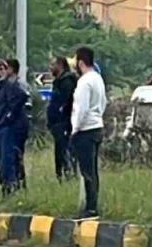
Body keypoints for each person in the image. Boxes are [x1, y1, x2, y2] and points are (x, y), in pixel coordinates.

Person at [71, 46, 108, 219]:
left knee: (86, 171)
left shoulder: (84, 82)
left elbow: (81, 108)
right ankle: (93, 204)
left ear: (80, 62)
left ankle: (90, 208)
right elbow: (103, 102)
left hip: (85, 129)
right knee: (93, 170)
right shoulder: (98, 79)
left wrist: (75, 129)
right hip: (97, 126)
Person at [0, 59, 29, 195]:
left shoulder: (10, 85)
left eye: (1, 69)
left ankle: (11, 187)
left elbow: (22, 96)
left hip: (8, 126)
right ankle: (8, 187)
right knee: (3, 159)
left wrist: (10, 115)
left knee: (8, 159)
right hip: (0, 126)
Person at [46, 56, 78, 181]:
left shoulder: (67, 82)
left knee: (65, 150)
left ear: (60, 65)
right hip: (57, 124)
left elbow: (64, 102)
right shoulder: (58, 82)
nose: (50, 67)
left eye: (52, 64)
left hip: (64, 123)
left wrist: (61, 117)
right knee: (59, 151)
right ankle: (61, 176)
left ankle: (69, 175)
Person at [6, 58, 30, 189]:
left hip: (19, 124)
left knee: (17, 153)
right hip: (18, 122)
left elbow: (23, 97)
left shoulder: (17, 84)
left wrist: (11, 113)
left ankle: (19, 181)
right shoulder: (14, 83)